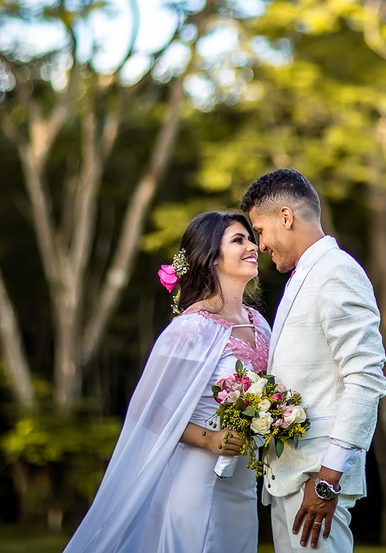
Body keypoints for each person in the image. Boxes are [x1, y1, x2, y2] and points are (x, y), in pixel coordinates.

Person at [63, 211, 270, 553]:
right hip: (199, 483)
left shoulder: (259, 323)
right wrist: (210, 439)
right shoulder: (190, 329)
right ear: (211, 256)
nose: (253, 246)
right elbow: (148, 409)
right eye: (239, 240)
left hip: (243, 485)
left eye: (250, 238)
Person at [240, 169, 386, 553]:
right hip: (290, 478)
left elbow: (366, 378)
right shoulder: (304, 276)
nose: (260, 244)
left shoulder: (337, 272)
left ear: (286, 217)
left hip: (317, 479)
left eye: (259, 230)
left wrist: (327, 480)